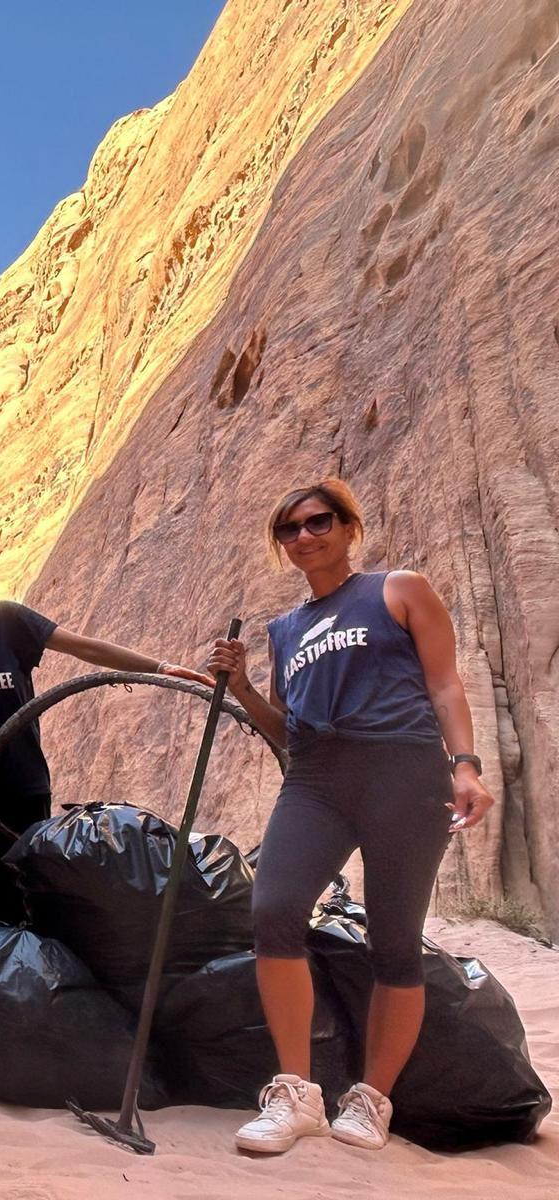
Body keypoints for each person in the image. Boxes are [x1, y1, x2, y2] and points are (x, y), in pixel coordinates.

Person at [207, 479, 495, 1154]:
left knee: (394, 940)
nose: (304, 536)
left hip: (404, 774)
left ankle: (371, 1100)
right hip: (316, 781)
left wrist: (467, 764)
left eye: (318, 522)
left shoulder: (400, 589)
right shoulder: (285, 630)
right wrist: (244, 685)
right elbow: (286, 731)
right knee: (273, 911)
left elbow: (444, 682)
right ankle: (296, 1094)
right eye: (289, 530)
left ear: (348, 527)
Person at [0, 534, 207, 926]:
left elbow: (85, 648)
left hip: (17, 792)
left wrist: (160, 667)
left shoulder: (8, 622)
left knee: (16, 915)